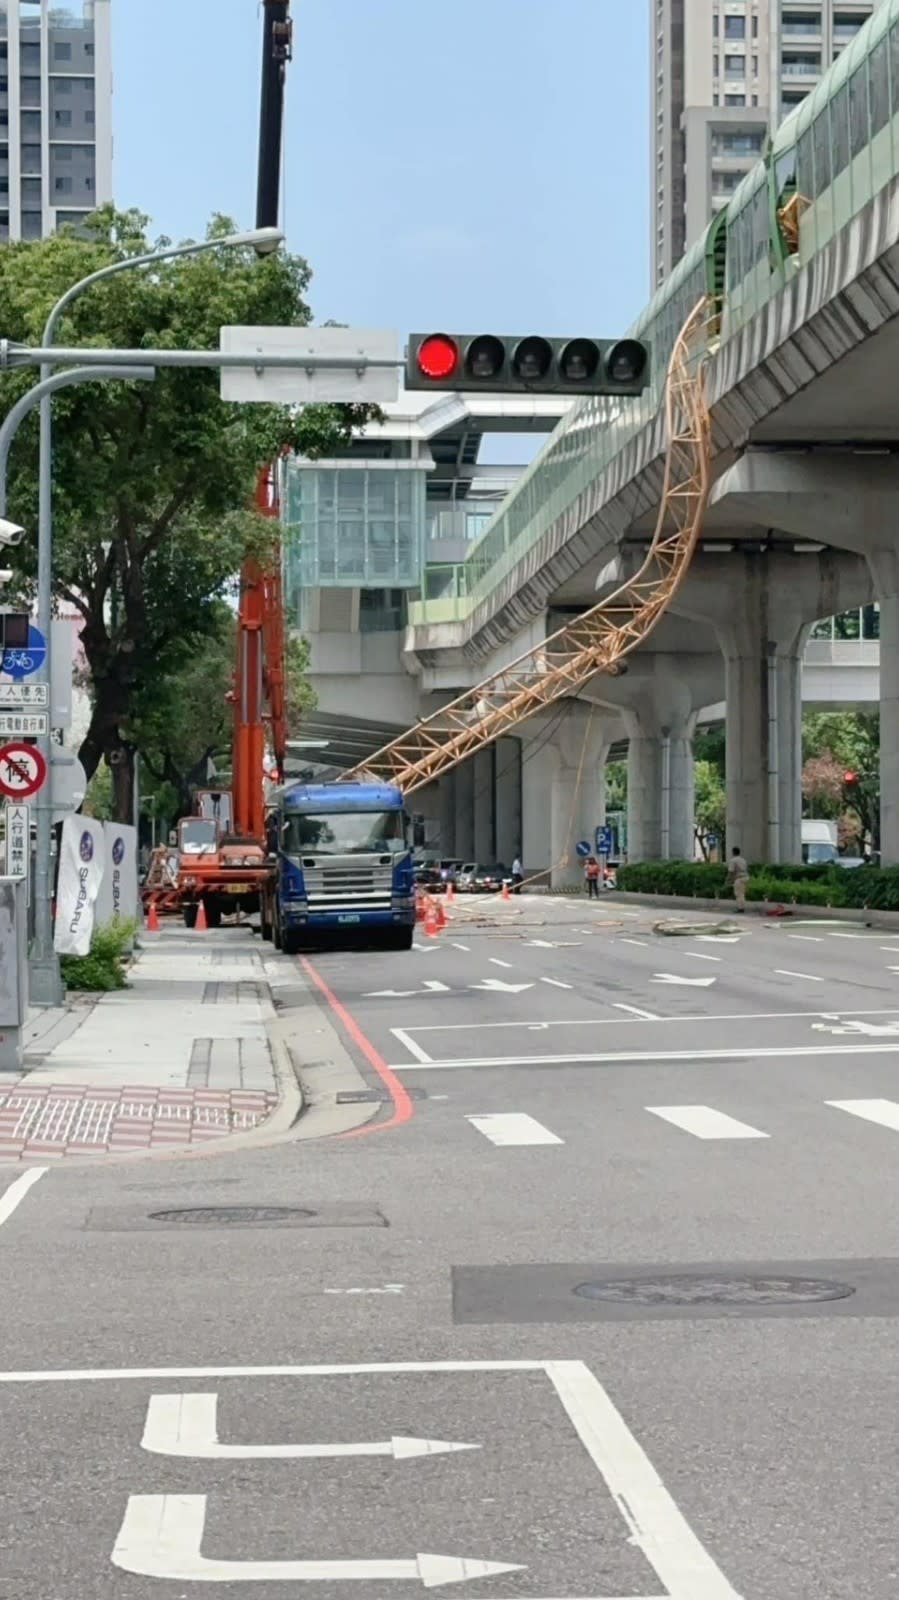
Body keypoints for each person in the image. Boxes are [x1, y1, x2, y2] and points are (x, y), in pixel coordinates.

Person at [727, 844, 749, 912]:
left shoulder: (733, 860)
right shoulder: (743, 860)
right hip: (746, 877)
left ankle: (740, 908)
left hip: (739, 879)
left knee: (738, 894)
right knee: (742, 894)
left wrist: (729, 879)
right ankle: (742, 907)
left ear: (733, 852)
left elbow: (731, 871)